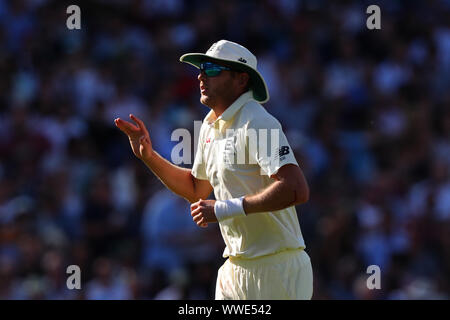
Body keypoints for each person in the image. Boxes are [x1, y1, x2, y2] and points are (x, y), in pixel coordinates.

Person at [114, 40, 313, 300]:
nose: (200, 76)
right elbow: (196, 189)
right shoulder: (209, 126)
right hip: (234, 268)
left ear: (241, 80)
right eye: (200, 69)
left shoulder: (258, 121)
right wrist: (149, 156)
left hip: (277, 268)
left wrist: (222, 209)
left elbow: (296, 189)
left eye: (211, 69)